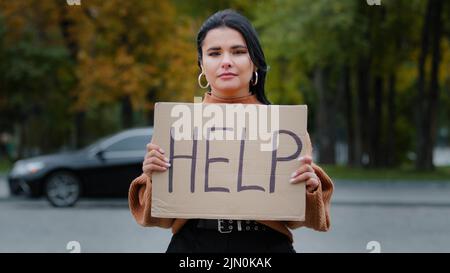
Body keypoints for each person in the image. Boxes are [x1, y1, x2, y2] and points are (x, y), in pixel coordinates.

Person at [128, 9, 334, 253]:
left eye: (238, 51)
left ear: (254, 61)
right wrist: (153, 178)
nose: (226, 61)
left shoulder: (284, 126)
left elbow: (297, 219)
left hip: (265, 247)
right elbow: (160, 219)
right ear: (202, 64)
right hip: (193, 247)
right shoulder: (178, 125)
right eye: (214, 53)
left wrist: (309, 188)